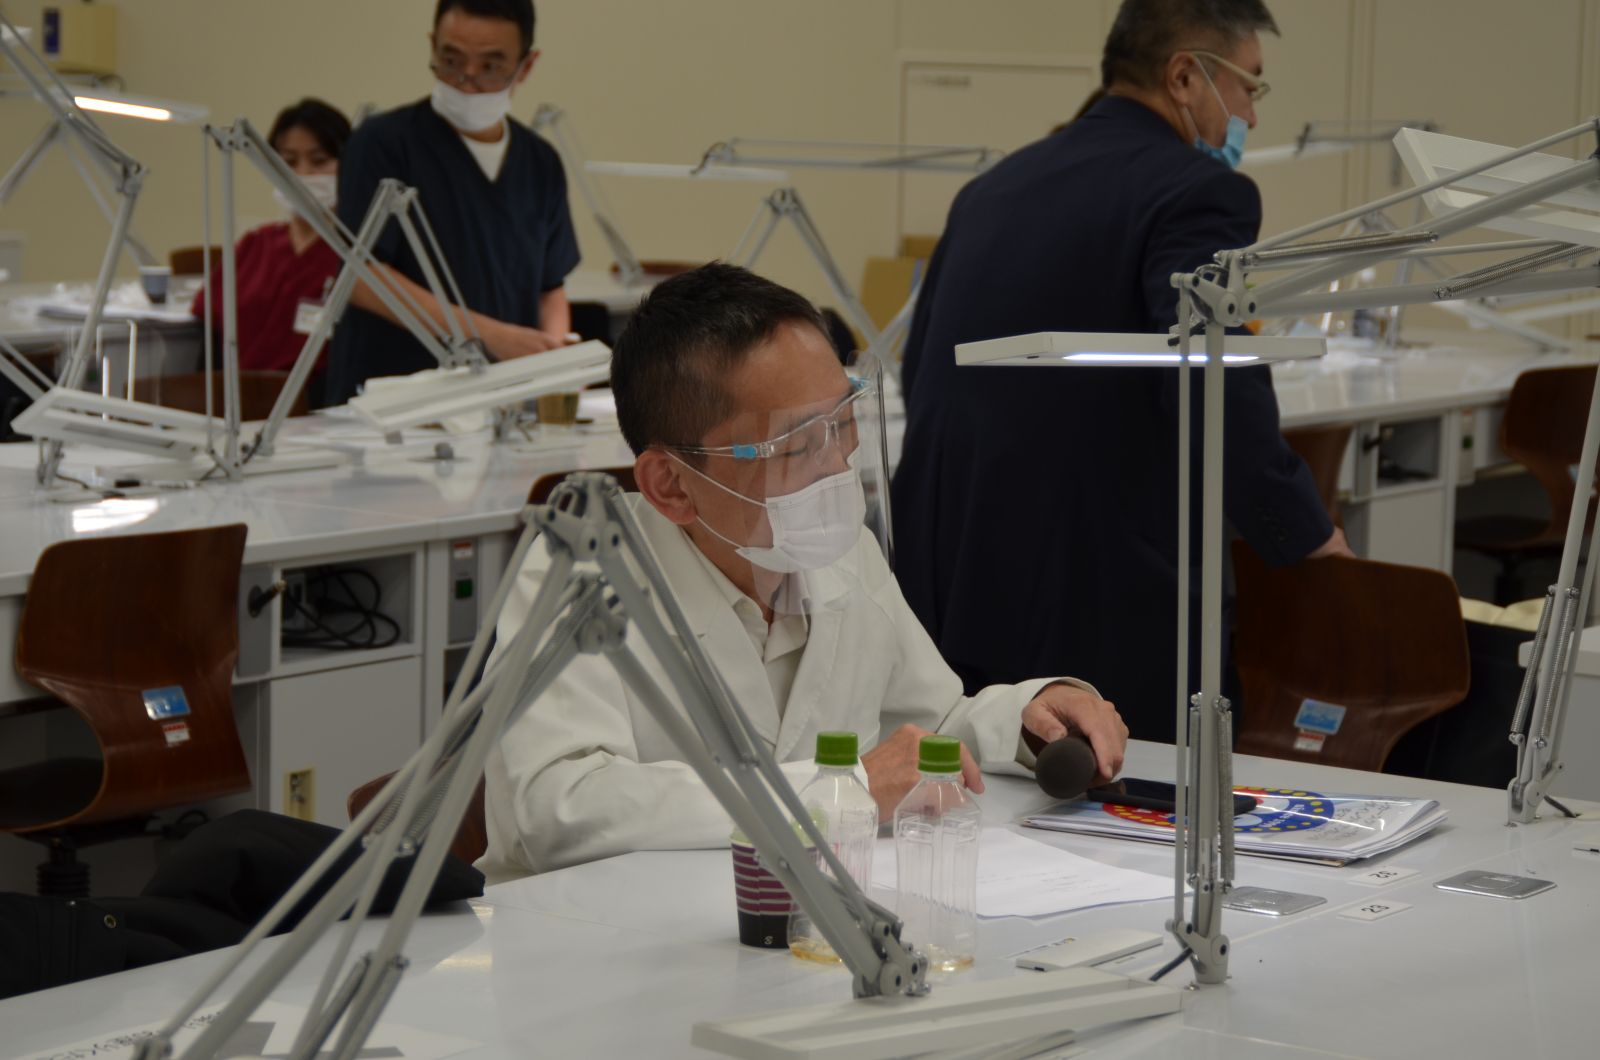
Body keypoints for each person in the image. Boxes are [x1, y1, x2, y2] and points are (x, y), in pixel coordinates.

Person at [477, 264, 1129, 882]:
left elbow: (927, 727)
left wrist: (1029, 718)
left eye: (842, 421)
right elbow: (561, 808)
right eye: (796, 445)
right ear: (671, 484)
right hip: (596, 934)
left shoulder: (834, 552)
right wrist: (838, 790)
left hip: (795, 919)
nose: (836, 467)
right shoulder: (584, 572)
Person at [891, 0, 1351, 744]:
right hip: (1093, 591)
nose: (1251, 115)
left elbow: (922, 371)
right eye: (1248, 85)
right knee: (1125, 794)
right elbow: (1213, 377)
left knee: (984, 789)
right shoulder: (1196, 191)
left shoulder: (992, 188)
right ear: (1185, 77)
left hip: (954, 576)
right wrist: (1307, 536)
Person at [322, 0, 580, 405]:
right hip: (393, 402)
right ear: (432, 46)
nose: (466, 82)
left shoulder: (540, 162)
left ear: (526, 66)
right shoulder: (383, 144)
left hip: (498, 403)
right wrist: (490, 337)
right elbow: (362, 278)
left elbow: (551, 288)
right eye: (451, 60)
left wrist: (553, 361)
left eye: (491, 66)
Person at [190, 99, 348, 403]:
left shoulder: (354, 255)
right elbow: (209, 322)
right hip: (239, 404)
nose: (302, 174)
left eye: (319, 161)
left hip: (319, 408)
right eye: (288, 162)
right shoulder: (256, 245)